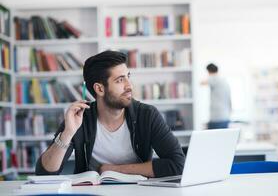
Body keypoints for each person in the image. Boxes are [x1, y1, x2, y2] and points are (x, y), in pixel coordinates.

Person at [35, 51, 185, 178]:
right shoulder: (81, 118)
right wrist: (67, 133)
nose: (129, 85)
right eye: (120, 80)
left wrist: (114, 170)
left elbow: (178, 164)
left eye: (128, 76)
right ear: (100, 89)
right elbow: (44, 174)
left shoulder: (146, 115)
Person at [201, 63, 232, 129]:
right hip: (225, 116)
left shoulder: (214, 78)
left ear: (209, 71)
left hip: (217, 117)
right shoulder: (224, 81)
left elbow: (201, 83)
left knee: (213, 137)